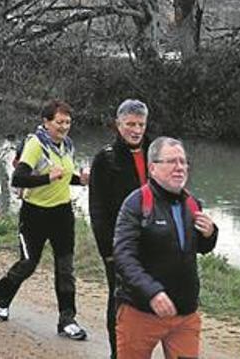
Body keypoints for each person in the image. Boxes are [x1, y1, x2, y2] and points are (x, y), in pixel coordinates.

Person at [113, 136, 218, 359]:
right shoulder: (136, 203)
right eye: (171, 161)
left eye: (183, 161)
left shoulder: (192, 203)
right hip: (140, 310)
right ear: (153, 168)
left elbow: (199, 248)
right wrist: (153, 292)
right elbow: (123, 256)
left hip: (184, 312)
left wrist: (210, 234)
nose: (180, 167)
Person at [0, 99, 88, 340]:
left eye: (67, 122)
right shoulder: (36, 144)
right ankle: (1, 295)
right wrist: (47, 178)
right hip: (34, 214)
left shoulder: (67, 145)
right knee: (28, 264)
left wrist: (81, 180)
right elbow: (18, 179)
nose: (64, 127)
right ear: (46, 123)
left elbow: (63, 176)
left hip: (62, 213)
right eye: (59, 122)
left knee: (65, 268)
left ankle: (67, 320)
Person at [88, 98, 151, 358]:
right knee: (121, 301)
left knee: (151, 300)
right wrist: (108, 250)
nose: (136, 130)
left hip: (154, 241)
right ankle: (119, 353)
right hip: (120, 244)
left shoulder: (157, 151)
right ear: (118, 124)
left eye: (141, 124)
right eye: (130, 124)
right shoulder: (105, 159)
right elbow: (97, 210)